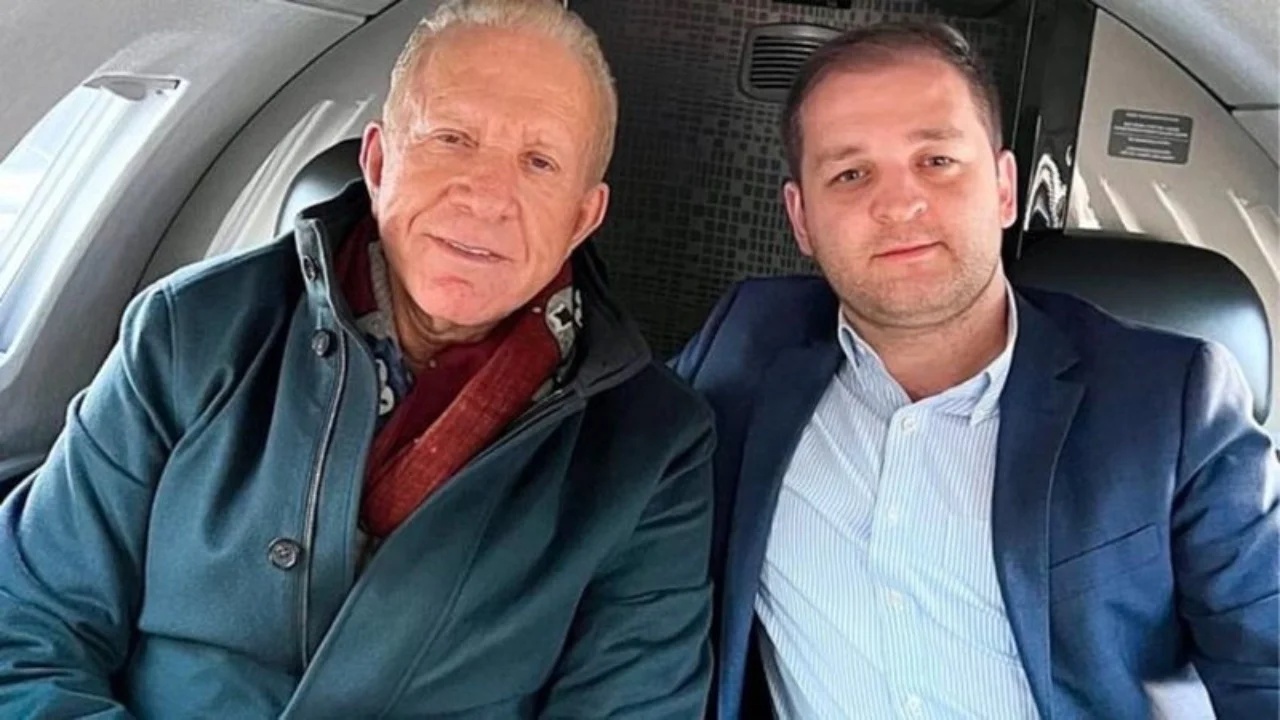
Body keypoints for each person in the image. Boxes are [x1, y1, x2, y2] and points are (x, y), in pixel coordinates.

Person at [0, 1, 715, 716]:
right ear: (377, 162)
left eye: (539, 162)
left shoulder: (651, 446)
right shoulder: (188, 333)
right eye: (452, 138)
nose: (488, 196)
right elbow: (25, 627)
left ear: (582, 217)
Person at [674, 21, 1279, 720]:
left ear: (1004, 188)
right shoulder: (745, 343)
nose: (898, 204)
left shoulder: (1169, 403)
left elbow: (1265, 666)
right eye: (850, 174)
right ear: (801, 218)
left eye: (936, 160)